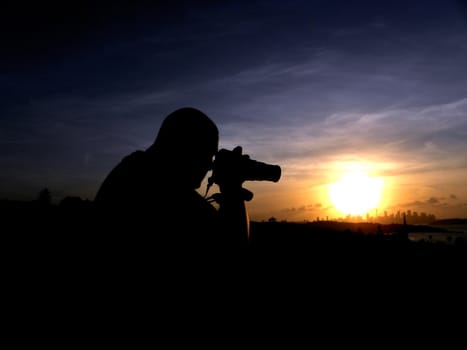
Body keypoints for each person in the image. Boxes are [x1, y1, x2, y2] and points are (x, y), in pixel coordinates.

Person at [94, 107, 252, 257]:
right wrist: (232, 187)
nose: (209, 166)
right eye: (208, 155)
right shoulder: (161, 187)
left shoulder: (133, 170)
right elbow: (232, 247)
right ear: (187, 148)